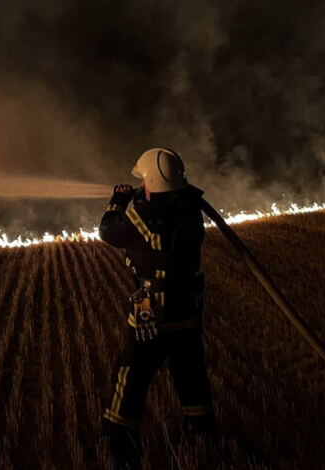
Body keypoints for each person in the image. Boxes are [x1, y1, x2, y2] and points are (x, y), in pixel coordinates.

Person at [99, 147, 218, 469]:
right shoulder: (191, 207)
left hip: (153, 309)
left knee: (133, 371)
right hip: (188, 308)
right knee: (190, 370)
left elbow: (108, 231)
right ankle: (204, 432)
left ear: (150, 180)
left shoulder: (143, 215)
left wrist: (117, 201)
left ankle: (119, 440)